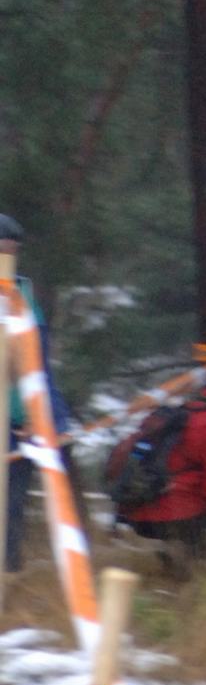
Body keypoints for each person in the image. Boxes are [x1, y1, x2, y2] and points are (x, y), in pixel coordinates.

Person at [117, 360, 206, 574]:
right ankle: (201, 571)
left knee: (204, 510)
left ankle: (178, 557)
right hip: (173, 516)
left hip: (136, 511)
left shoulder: (180, 412)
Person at [1, 215, 74, 577]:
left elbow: (39, 368)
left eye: (12, 251)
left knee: (11, 504)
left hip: (17, 423)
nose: (9, 257)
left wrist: (43, 417)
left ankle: (7, 574)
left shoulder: (24, 298)